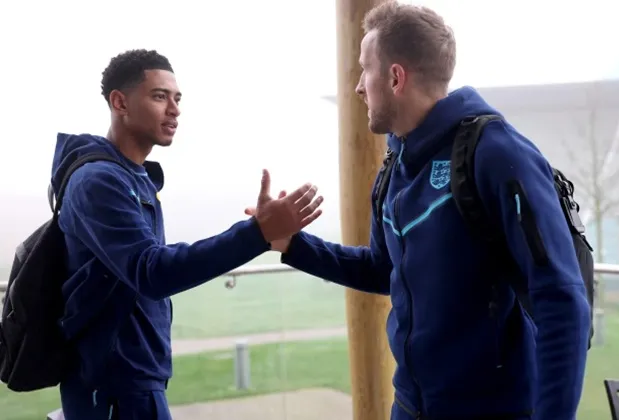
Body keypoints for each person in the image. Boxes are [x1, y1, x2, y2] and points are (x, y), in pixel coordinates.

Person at [247, 2, 591, 419]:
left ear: (395, 77)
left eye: (364, 70)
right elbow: (381, 269)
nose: (358, 87)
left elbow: (562, 298)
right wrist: (293, 245)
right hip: (410, 408)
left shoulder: (497, 153)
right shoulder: (394, 169)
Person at [53, 49, 324, 419]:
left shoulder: (132, 177)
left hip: (133, 379)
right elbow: (152, 271)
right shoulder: (98, 181)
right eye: (159, 96)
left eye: (177, 98)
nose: (175, 109)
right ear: (120, 102)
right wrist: (256, 234)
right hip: (113, 386)